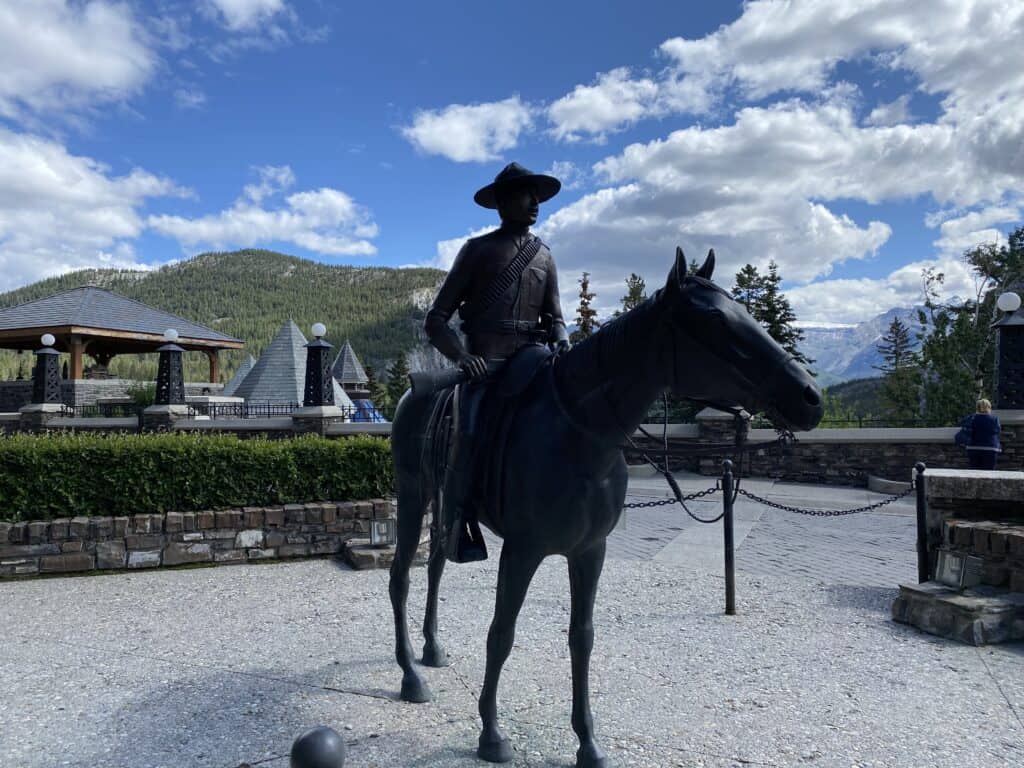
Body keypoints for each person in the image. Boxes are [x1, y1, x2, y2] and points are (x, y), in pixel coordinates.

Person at [424, 162, 571, 562]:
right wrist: (463, 357)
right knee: (468, 431)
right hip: (484, 367)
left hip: (534, 362)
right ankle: (457, 518)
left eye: (536, 195)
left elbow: (555, 315)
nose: (535, 202)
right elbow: (436, 321)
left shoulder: (545, 256)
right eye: (526, 194)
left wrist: (562, 339)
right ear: (504, 202)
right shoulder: (477, 251)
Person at [960, 398, 1001, 470]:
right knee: (988, 473)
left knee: (974, 473)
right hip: (990, 448)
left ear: (977, 407)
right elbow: (997, 430)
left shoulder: (971, 418)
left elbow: (962, 423)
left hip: (973, 447)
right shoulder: (994, 419)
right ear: (989, 407)